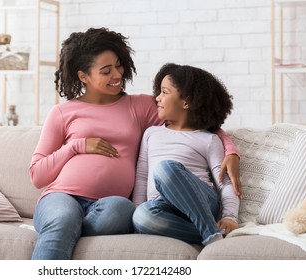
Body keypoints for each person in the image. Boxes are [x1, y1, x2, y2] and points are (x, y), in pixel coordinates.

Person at [29, 28, 241, 259]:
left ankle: (67, 228)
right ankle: (60, 229)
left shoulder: (139, 106)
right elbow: (37, 175)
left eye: (119, 65)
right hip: (62, 195)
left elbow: (194, 119)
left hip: (109, 204)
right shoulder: (61, 112)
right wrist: (76, 146)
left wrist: (231, 150)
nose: (117, 74)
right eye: (106, 70)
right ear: (83, 76)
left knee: (123, 211)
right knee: (63, 217)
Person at [132, 63, 241, 246]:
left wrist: (230, 217)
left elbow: (225, 182)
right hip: (164, 208)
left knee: (165, 168)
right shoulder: (151, 133)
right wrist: (137, 210)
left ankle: (209, 232)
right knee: (142, 217)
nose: (157, 98)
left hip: (202, 202)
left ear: (186, 101)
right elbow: (142, 177)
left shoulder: (209, 139)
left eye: (165, 92)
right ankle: (213, 232)